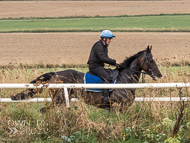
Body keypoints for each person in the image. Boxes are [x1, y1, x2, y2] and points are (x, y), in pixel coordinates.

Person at [87, 30, 120, 109]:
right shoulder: (98, 45)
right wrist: (114, 62)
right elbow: (103, 58)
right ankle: (105, 100)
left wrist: (114, 64)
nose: (110, 40)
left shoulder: (104, 47)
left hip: (99, 66)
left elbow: (105, 58)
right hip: (94, 67)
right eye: (109, 39)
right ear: (104, 39)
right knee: (107, 78)